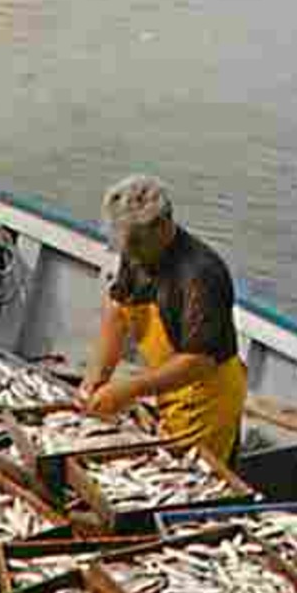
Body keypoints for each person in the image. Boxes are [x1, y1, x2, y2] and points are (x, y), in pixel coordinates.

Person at [79, 174, 248, 465]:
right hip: (169, 387)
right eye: (124, 245)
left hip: (206, 397)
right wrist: (96, 379)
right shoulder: (138, 252)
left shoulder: (201, 273)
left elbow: (199, 360)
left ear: (163, 225)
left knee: (192, 480)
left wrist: (131, 389)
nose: (129, 253)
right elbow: (118, 310)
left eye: (135, 243)